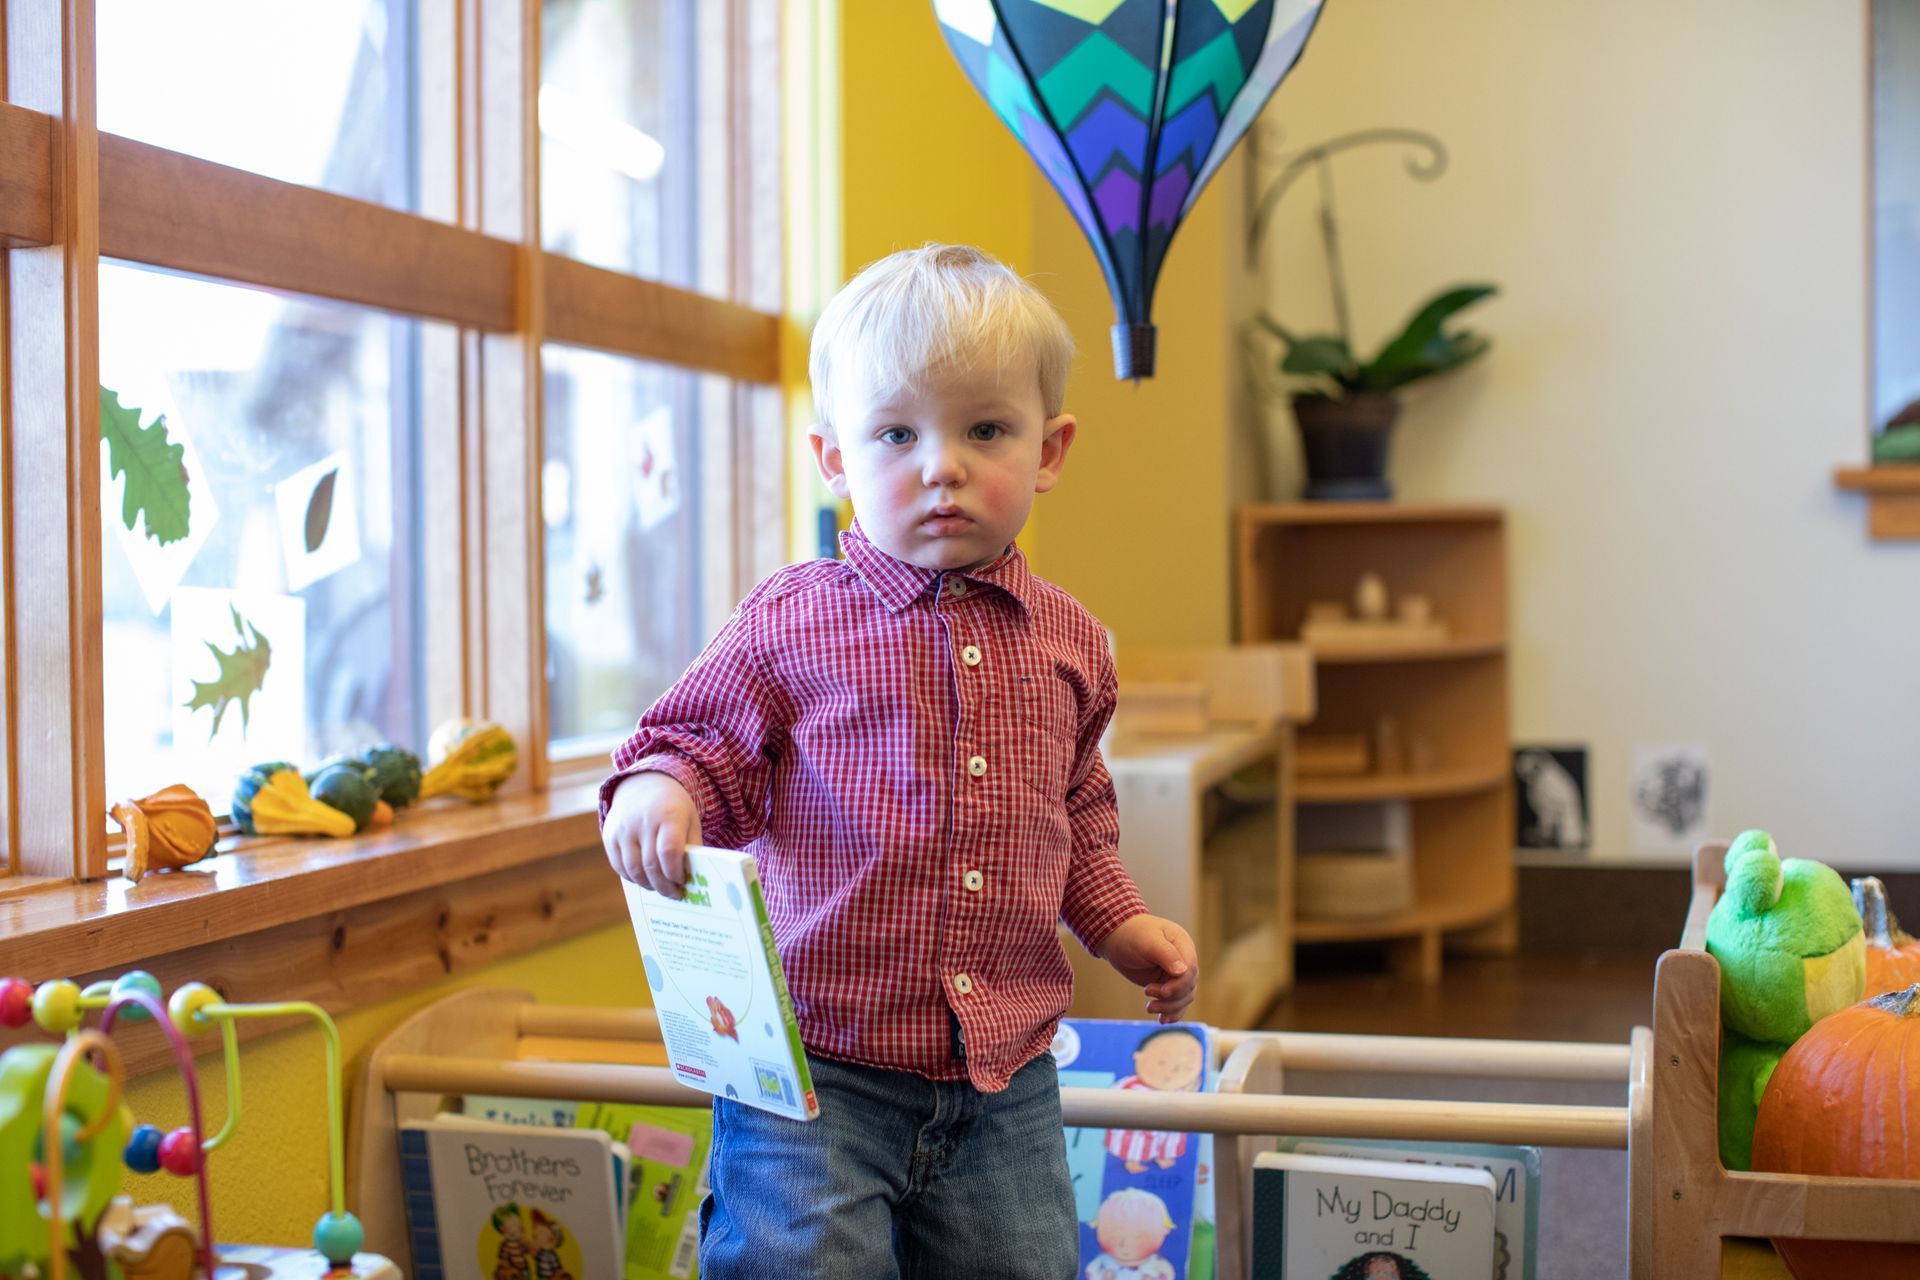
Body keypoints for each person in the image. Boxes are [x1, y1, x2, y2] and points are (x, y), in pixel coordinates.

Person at [600, 243, 1199, 1280]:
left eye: (986, 430)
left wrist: (1119, 922)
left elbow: (1076, 816)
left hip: (1005, 1077)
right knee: (800, 1265)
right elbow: (699, 741)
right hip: (816, 1075)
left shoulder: (1072, 642)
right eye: (896, 434)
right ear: (834, 458)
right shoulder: (791, 620)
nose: (942, 466)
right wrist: (662, 787)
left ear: (1050, 449)